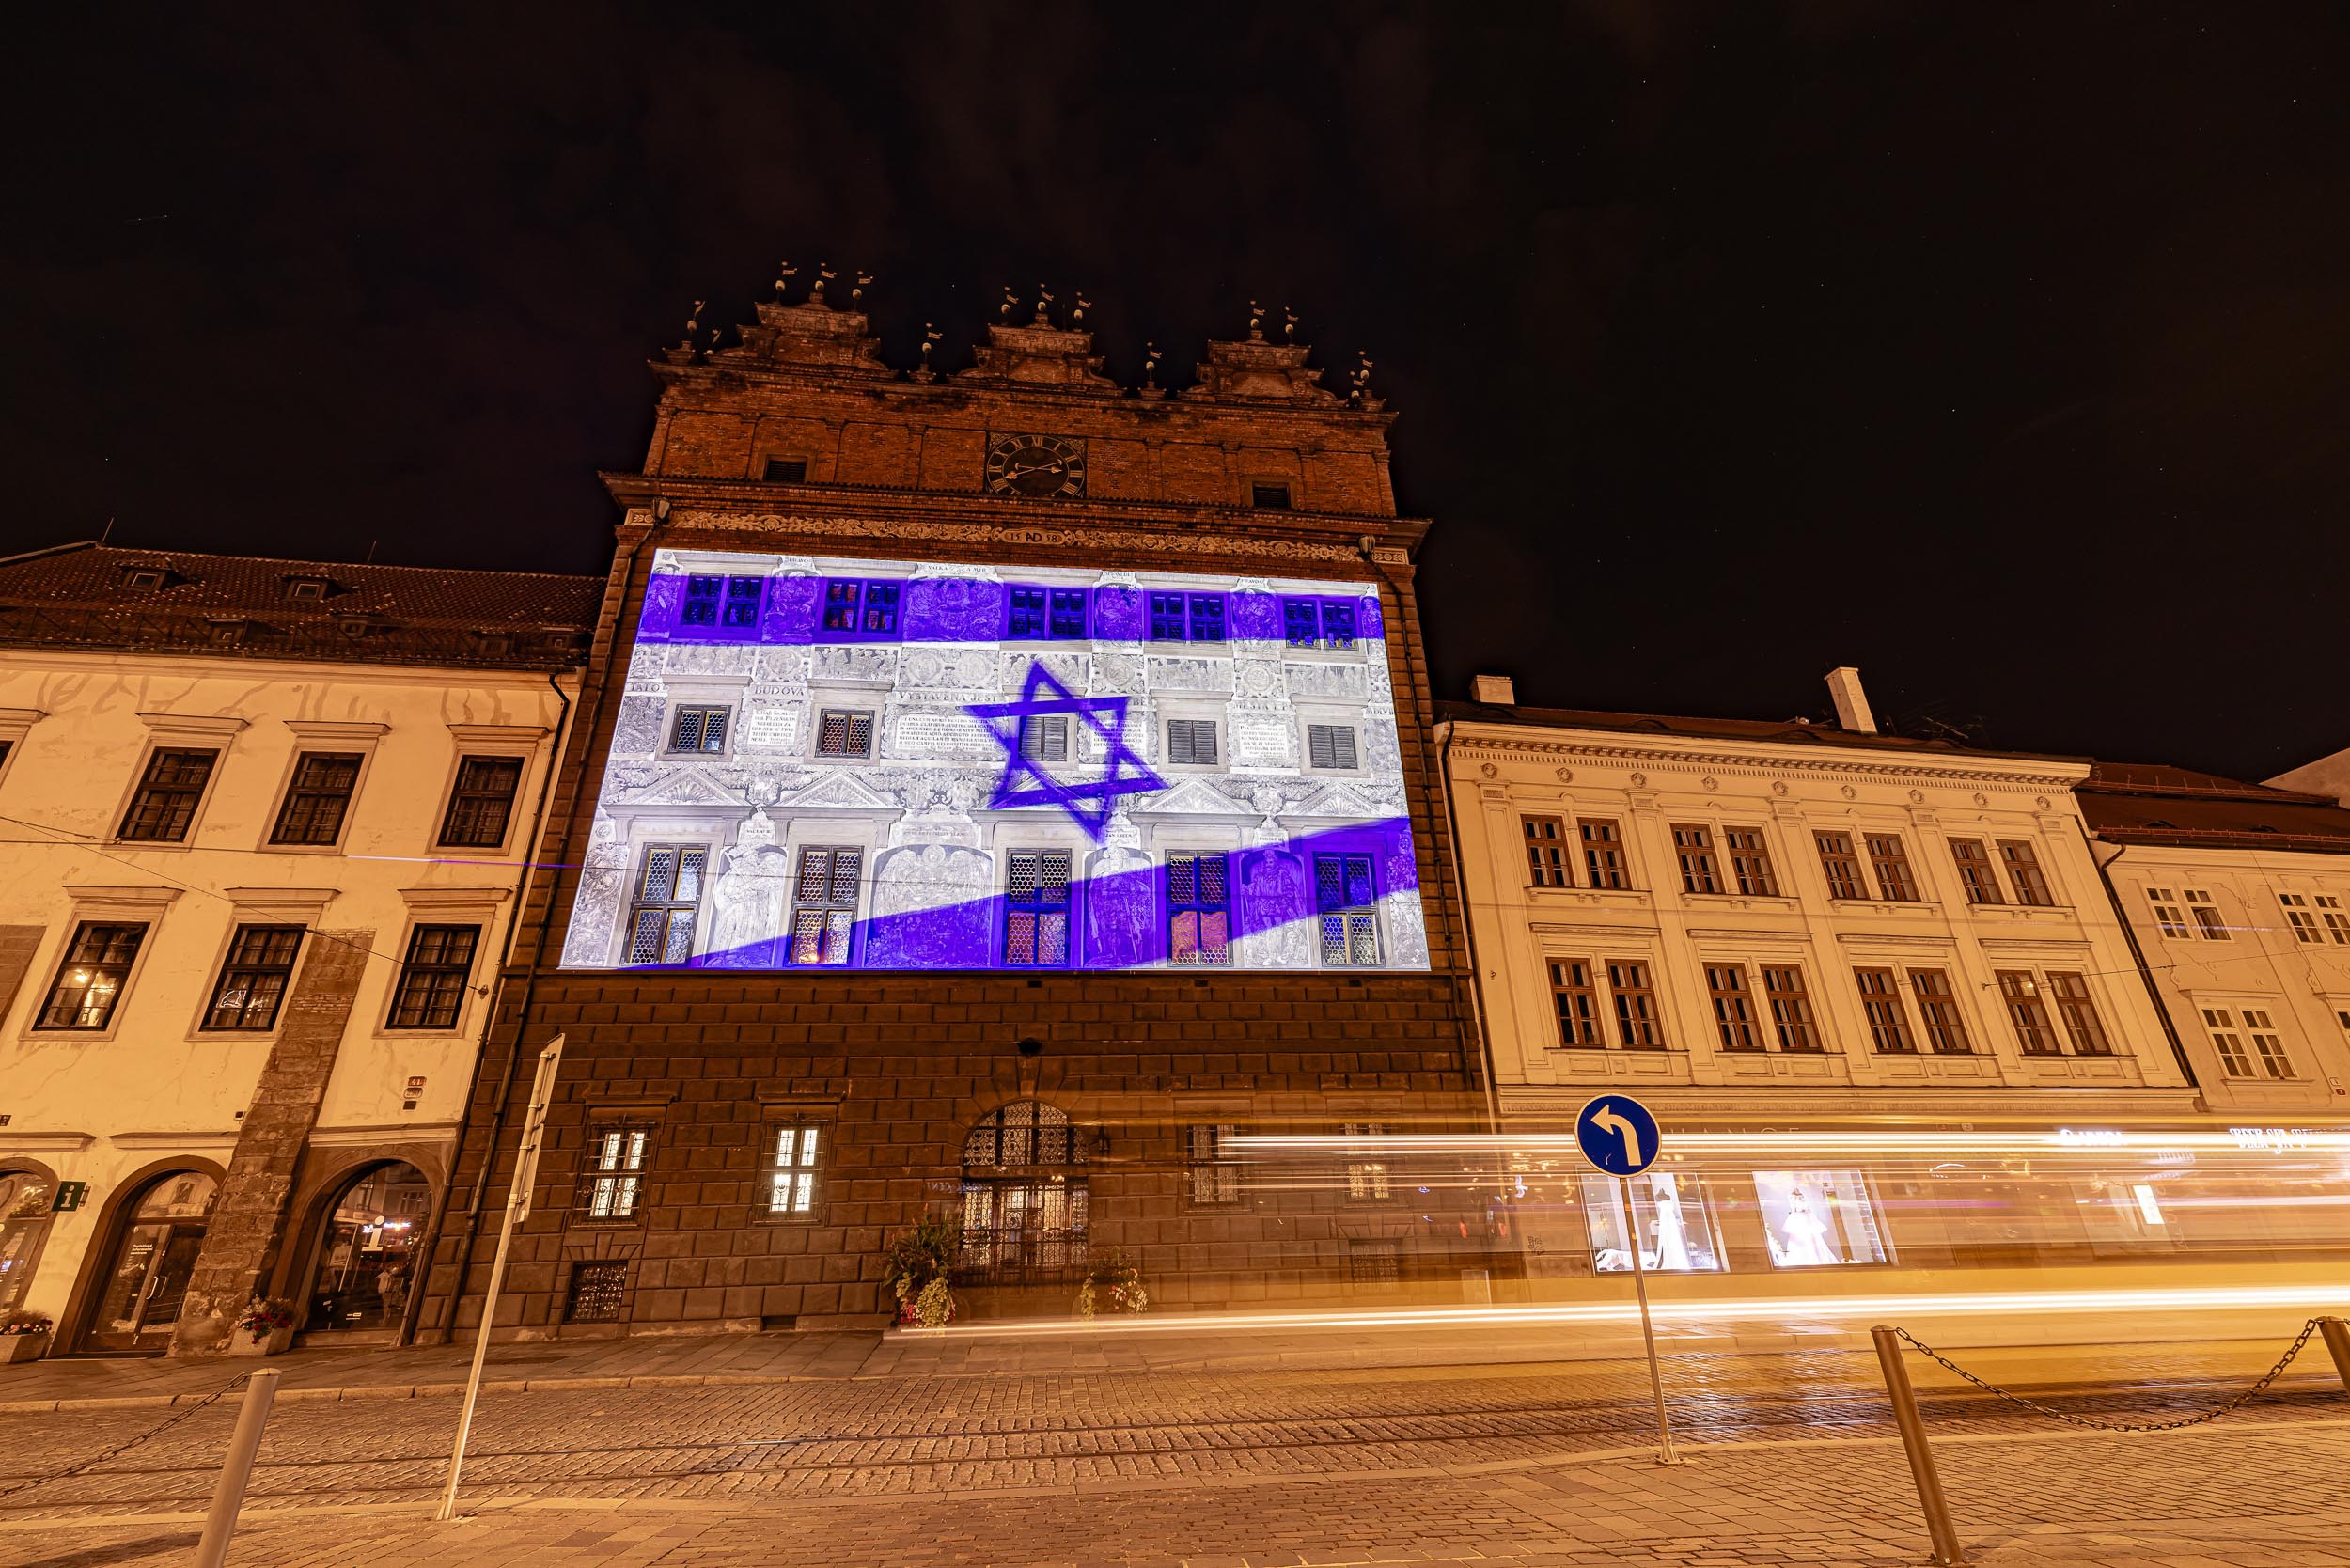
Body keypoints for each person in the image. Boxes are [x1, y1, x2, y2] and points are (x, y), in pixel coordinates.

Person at [1778, 1186, 1840, 1266]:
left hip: (1806, 1217)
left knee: (1812, 1238)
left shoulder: (1803, 1196)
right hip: (1799, 1218)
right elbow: (1793, 1208)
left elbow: (1807, 1207)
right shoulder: (1792, 1197)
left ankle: (1815, 1257)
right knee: (1800, 1238)